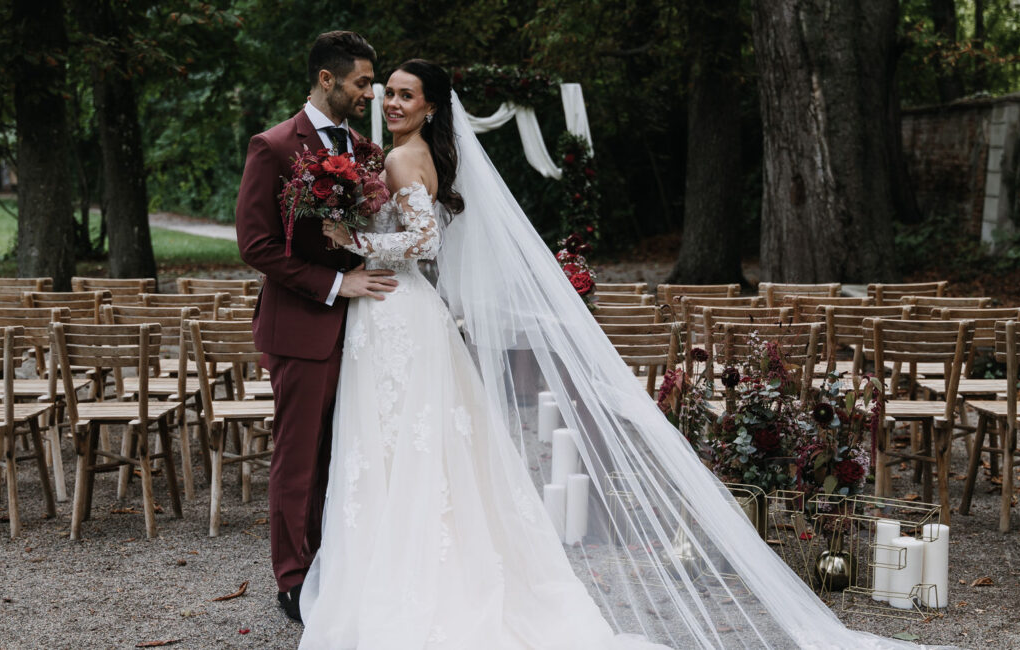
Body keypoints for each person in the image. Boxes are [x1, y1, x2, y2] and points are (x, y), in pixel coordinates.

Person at [299, 59, 919, 649]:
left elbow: (423, 241)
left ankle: (411, 584)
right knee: (402, 447)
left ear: (432, 106)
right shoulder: (399, 155)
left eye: (407, 94)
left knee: (406, 444)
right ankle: (406, 571)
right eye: (389, 92)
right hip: (388, 316)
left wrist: (348, 237)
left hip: (397, 312)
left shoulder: (408, 157)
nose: (393, 101)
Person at [234, 30, 397, 623]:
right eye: (361, 82)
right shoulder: (274, 147)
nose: (369, 94)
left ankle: (339, 562)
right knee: (299, 460)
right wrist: (335, 285)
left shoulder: (365, 151)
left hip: (362, 333)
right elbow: (254, 244)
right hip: (301, 329)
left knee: (346, 454)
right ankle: (294, 580)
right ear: (327, 79)